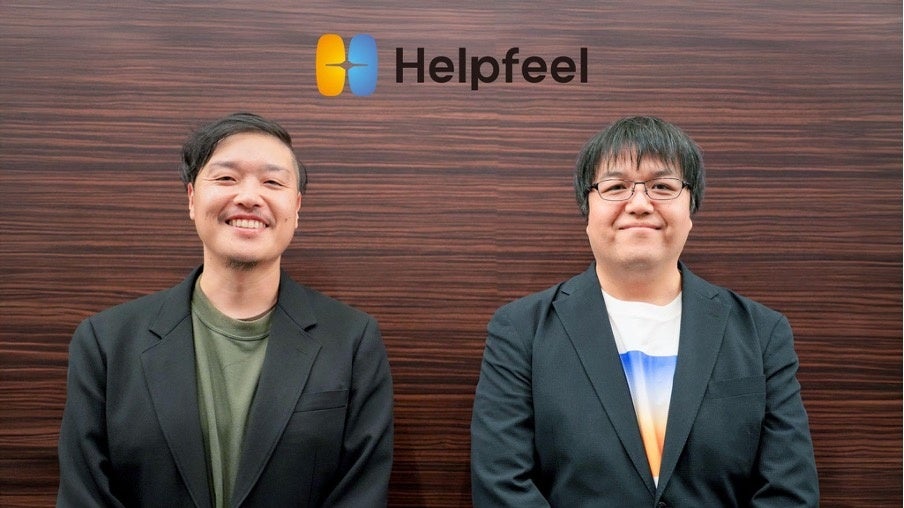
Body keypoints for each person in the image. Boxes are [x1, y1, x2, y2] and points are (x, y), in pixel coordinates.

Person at [470, 116, 818, 507]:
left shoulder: (761, 333)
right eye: (615, 187)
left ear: (691, 209)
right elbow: (502, 485)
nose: (638, 204)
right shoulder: (521, 331)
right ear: (587, 210)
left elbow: (789, 492)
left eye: (662, 186)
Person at [57, 112, 394, 507]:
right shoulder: (107, 343)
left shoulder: (352, 341)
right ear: (191, 198)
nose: (249, 197)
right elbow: (85, 495)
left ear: (297, 206)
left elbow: (360, 494)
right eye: (226, 178)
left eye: (272, 182)